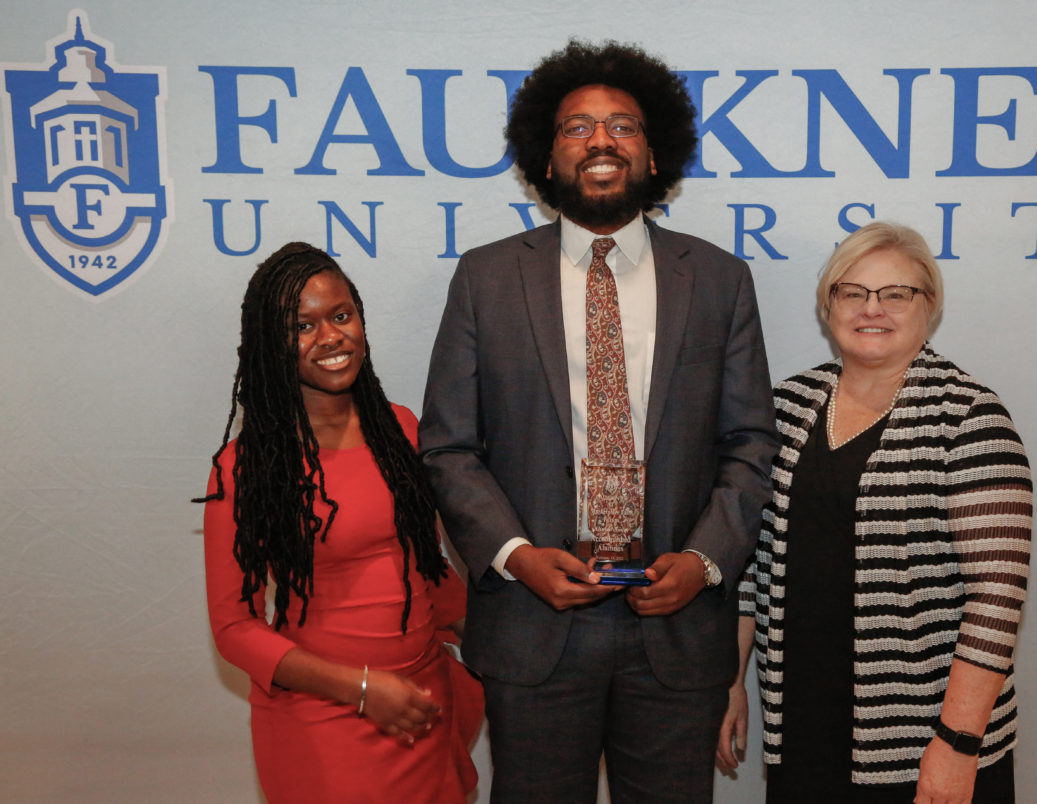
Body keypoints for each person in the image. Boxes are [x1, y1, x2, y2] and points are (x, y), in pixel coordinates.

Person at [419, 40, 778, 803]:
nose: (602, 141)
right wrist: (517, 556)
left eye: (623, 125)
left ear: (655, 154)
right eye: (577, 128)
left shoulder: (718, 279)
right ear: (545, 162)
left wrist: (704, 562)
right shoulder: (486, 278)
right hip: (535, 621)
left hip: (674, 622)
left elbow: (749, 444)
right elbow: (449, 447)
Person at [719, 221, 1032, 803]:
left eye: (896, 294)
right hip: (804, 728)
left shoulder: (969, 417)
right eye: (852, 291)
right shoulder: (784, 407)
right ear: (829, 305)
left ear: (928, 306)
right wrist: (730, 683)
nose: (873, 309)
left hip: (922, 742)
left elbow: (996, 601)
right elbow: (747, 572)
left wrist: (957, 742)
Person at [198, 243, 483, 803]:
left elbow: (426, 568)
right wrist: (360, 689)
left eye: (341, 315)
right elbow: (234, 628)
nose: (330, 337)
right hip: (324, 716)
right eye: (301, 326)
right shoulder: (246, 467)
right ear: (269, 344)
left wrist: (505, 640)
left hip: (420, 703)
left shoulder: (400, 427)